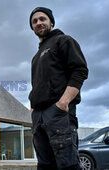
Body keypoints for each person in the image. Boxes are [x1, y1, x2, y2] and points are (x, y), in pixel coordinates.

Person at [28, 7, 88, 170]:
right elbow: (38, 84)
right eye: (34, 21)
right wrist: (33, 109)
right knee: (45, 165)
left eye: (42, 19)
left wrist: (63, 103)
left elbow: (80, 71)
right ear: (32, 27)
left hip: (58, 113)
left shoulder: (63, 40)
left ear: (51, 22)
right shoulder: (36, 56)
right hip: (39, 117)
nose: (38, 23)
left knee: (67, 165)